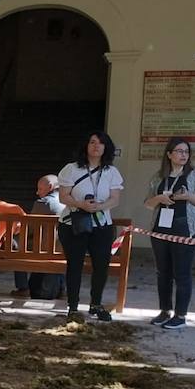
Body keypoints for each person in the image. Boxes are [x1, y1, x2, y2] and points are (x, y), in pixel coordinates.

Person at [142, 138, 195, 331]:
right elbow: (148, 204)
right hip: (160, 230)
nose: (183, 155)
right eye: (179, 151)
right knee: (162, 272)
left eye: (186, 152)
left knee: (182, 273)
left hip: (185, 229)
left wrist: (188, 196)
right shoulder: (159, 177)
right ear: (169, 154)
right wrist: (158, 198)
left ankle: (180, 315)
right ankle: (165, 310)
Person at [57, 132, 125, 322]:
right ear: (85, 146)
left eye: (101, 143)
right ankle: (73, 307)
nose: (97, 146)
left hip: (101, 224)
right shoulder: (71, 169)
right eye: (92, 142)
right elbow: (64, 196)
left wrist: (99, 207)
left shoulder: (111, 172)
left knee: (101, 265)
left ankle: (96, 304)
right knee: (75, 265)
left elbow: (115, 199)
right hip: (74, 224)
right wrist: (82, 205)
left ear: (106, 148)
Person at [28, 174, 66, 300]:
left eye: (40, 188)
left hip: (44, 251)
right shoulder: (68, 202)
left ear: (50, 187)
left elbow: (30, 229)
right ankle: (60, 288)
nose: (37, 192)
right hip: (65, 249)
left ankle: (29, 288)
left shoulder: (43, 203)